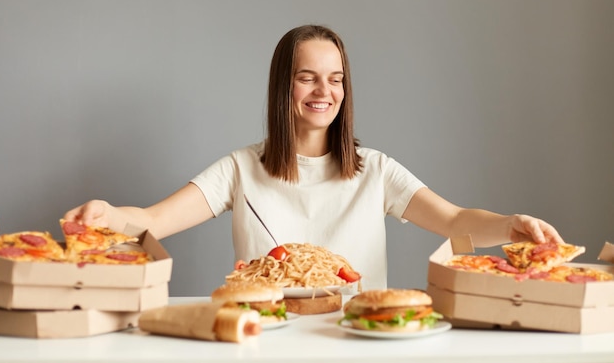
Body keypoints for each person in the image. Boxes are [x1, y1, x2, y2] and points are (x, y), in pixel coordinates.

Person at [63, 24, 563, 290]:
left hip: (360, 340)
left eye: (336, 78)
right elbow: (150, 220)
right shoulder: (240, 169)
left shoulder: (376, 170)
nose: (324, 91)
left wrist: (511, 225)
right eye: (308, 77)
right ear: (284, 85)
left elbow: (454, 220)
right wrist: (107, 216)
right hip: (266, 341)